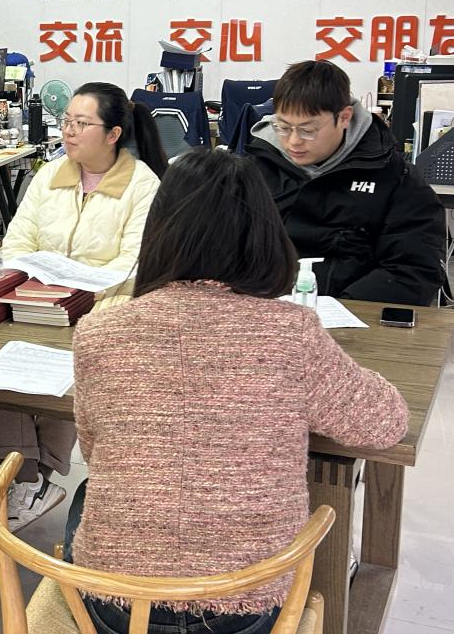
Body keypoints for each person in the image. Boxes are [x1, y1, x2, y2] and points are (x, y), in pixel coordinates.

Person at [66, 148, 408, 634]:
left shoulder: (99, 331)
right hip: (248, 605)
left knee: (88, 496)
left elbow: (94, 449)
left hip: (114, 604)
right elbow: (385, 423)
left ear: (157, 230)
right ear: (264, 234)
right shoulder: (289, 331)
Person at [0, 82, 167, 531]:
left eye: (81, 123)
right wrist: (40, 276)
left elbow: (134, 262)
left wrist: (79, 286)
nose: (68, 131)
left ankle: (34, 477)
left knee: (78, 358)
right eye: (66, 121)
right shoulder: (50, 174)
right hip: (39, 298)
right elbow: (17, 242)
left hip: (102, 307)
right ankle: (27, 477)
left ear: (113, 134)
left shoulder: (143, 185)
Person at [246, 60, 444, 306]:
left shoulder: (396, 180)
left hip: (351, 315)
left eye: (308, 130)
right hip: (262, 310)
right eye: (283, 127)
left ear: (344, 117)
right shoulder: (254, 169)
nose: (293, 141)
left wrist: (341, 310)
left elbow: (413, 269)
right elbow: (223, 249)